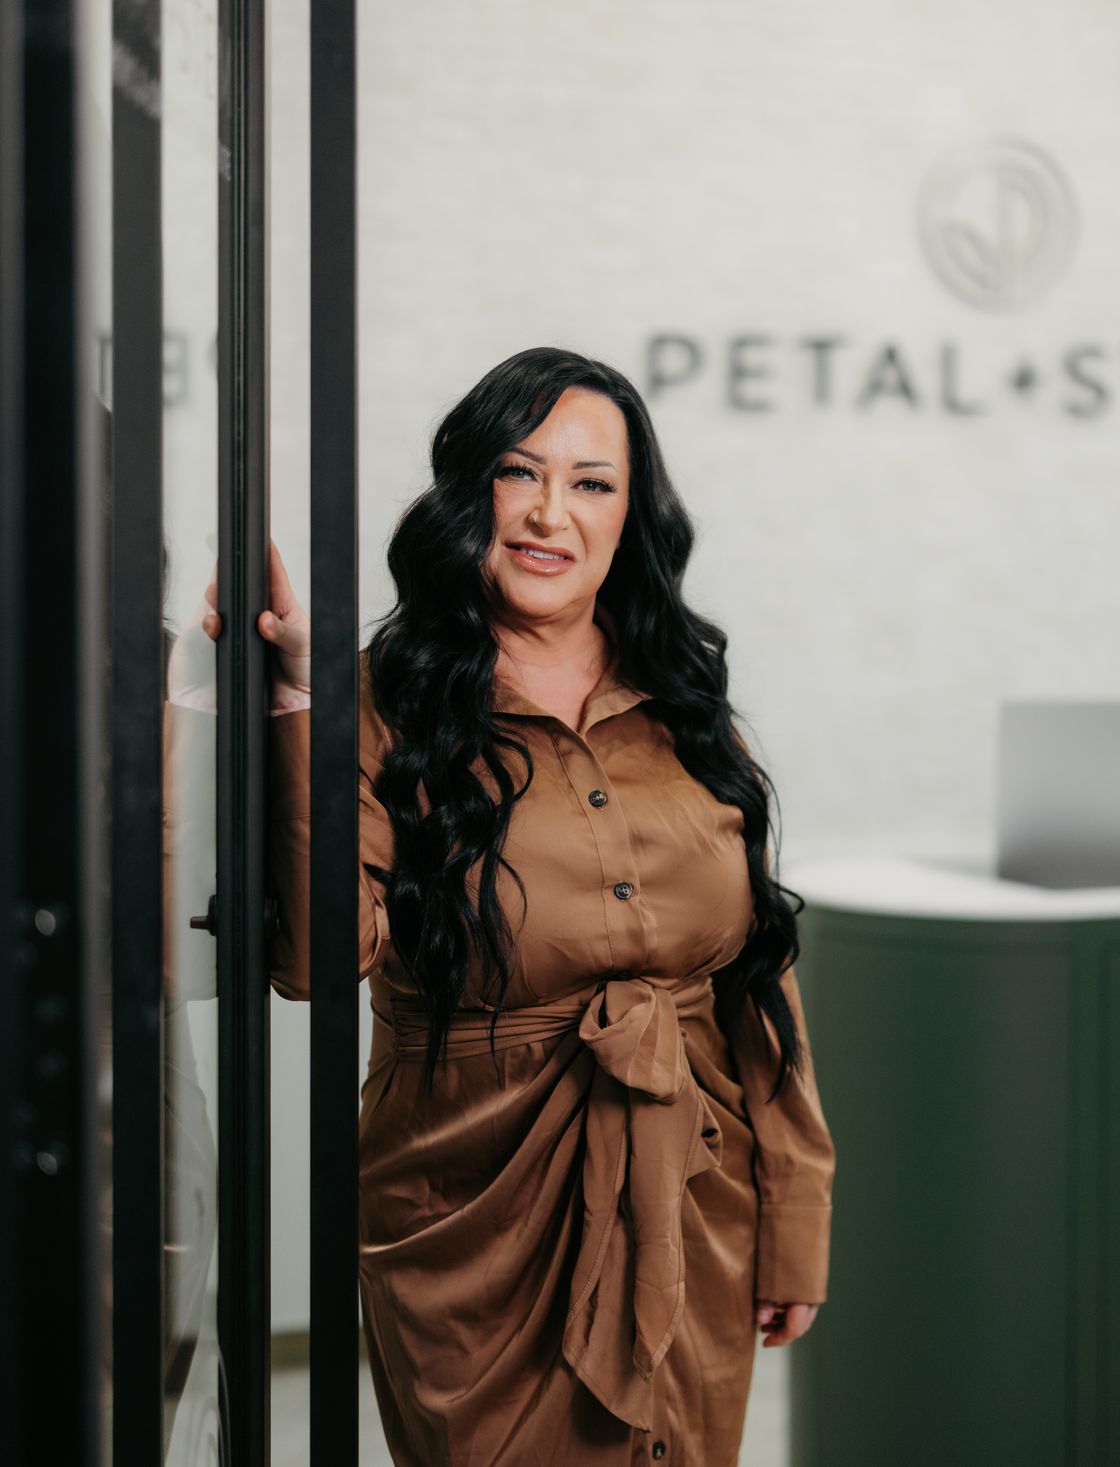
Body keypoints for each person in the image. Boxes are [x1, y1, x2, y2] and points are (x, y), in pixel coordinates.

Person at [250, 346, 835, 1464]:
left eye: (591, 483)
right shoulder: (383, 702)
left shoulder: (687, 703)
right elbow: (316, 961)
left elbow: (759, 985)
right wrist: (299, 711)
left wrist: (794, 1212)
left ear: (630, 518)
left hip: (694, 1202)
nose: (549, 514)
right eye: (519, 472)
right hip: (472, 1225)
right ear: (470, 494)